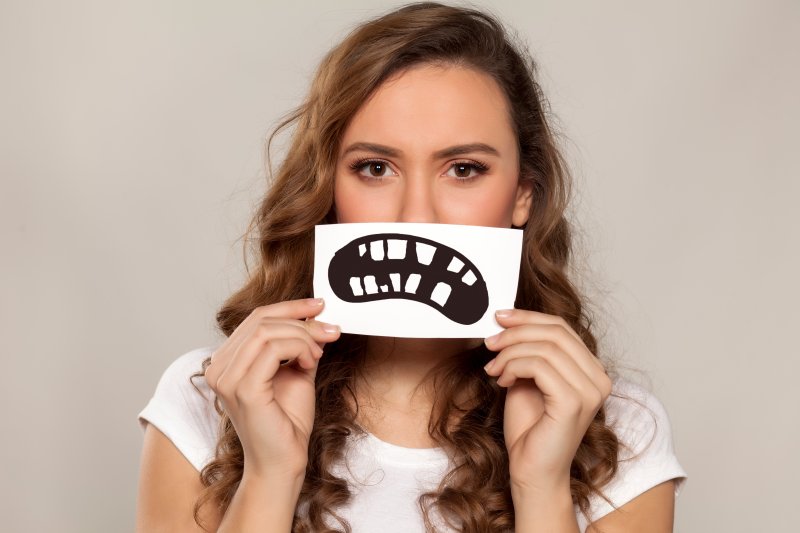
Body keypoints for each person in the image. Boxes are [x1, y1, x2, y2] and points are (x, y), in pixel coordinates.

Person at [135, 3, 687, 532]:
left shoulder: (619, 428)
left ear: (523, 195)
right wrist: (270, 474)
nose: (416, 215)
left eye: (464, 169)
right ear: (327, 187)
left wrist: (541, 488)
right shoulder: (212, 395)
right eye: (376, 168)